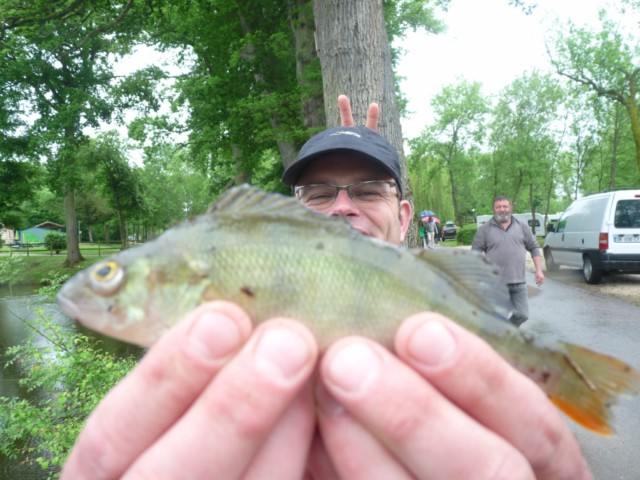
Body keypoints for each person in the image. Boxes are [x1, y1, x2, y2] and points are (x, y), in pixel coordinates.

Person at [61, 97, 591, 480]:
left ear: (406, 216)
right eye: (318, 194)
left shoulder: (469, 369)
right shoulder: (195, 368)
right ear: (293, 214)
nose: (342, 206)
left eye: (366, 190)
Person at [471, 195, 545, 327]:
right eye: (498, 207)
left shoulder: (522, 227)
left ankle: (506, 332)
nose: (502, 209)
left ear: (510, 208)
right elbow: (475, 253)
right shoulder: (484, 230)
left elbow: (534, 248)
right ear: (493, 209)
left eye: (505, 206)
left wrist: (539, 271)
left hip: (519, 282)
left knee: (523, 314)